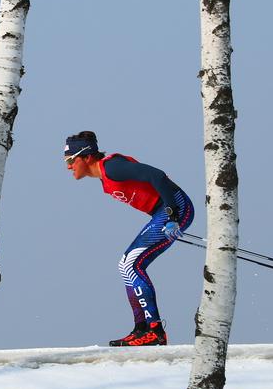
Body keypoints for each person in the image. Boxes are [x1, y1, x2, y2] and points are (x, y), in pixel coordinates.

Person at [63, 131, 194, 346]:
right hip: (164, 212)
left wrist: (172, 214)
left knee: (130, 264)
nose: (68, 166)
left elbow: (157, 176)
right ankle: (141, 329)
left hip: (174, 207)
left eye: (71, 160)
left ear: (86, 157)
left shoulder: (112, 167)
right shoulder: (105, 177)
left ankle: (155, 331)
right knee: (127, 265)